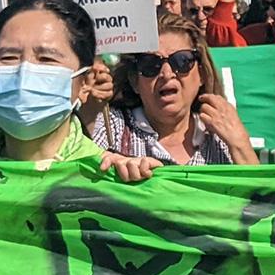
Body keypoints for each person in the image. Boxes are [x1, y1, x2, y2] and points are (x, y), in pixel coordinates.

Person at [0, 0, 160, 182]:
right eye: (8, 57)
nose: (23, 72)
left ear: (85, 83)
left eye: (46, 59)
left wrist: (139, 186)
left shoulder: (106, 179)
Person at [88, 14, 258, 165]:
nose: (167, 74)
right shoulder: (111, 128)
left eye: (182, 61)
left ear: (201, 74)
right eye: (150, 64)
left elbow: (263, 196)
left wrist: (239, 143)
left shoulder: (221, 134)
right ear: (134, 81)